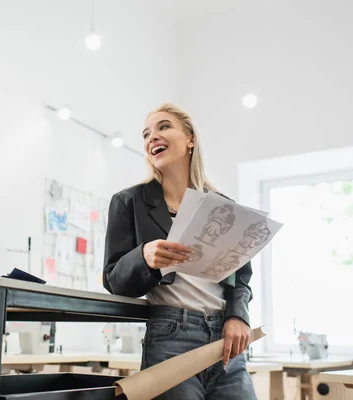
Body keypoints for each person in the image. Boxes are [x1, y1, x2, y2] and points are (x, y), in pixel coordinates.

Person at [102, 103, 256, 399]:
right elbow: (113, 279)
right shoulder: (128, 202)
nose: (152, 137)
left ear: (190, 139)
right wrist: (144, 256)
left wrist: (239, 316)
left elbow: (241, 277)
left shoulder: (223, 206)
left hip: (226, 340)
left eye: (163, 127)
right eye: (146, 133)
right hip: (171, 336)